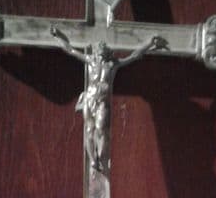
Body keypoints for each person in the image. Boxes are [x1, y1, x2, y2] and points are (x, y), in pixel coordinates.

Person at [51, 26, 167, 171]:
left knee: (101, 128)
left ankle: (100, 157)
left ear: (107, 52)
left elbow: (133, 56)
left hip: (102, 102)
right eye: (98, 49)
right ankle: (93, 161)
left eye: (103, 50)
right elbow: (70, 50)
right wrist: (58, 37)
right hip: (90, 99)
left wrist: (149, 44)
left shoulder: (112, 65)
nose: (100, 51)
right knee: (89, 129)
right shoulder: (90, 61)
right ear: (95, 51)